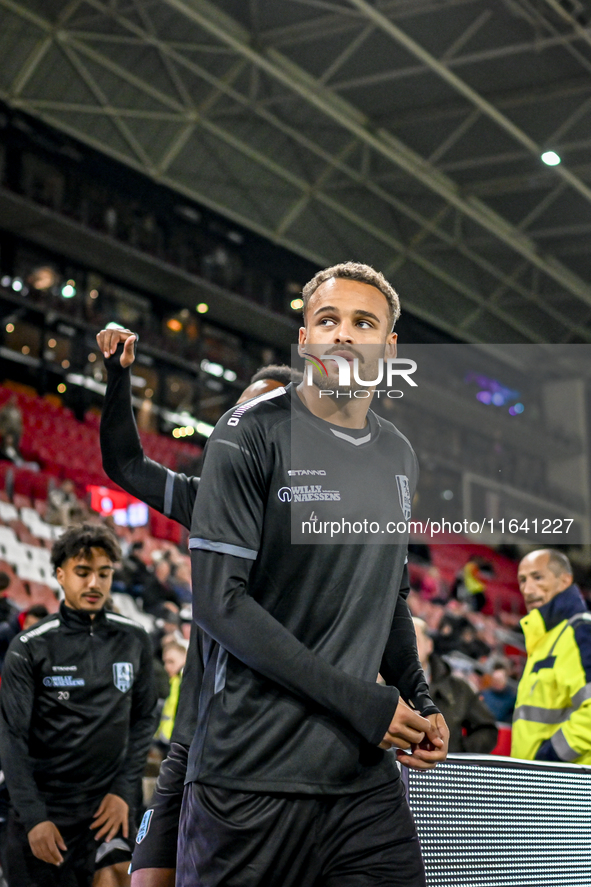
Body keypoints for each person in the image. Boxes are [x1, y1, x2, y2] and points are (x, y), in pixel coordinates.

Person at [179, 261, 448, 887]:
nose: (344, 335)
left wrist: (421, 698)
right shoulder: (248, 434)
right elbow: (221, 603)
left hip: (362, 783)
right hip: (252, 776)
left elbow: (390, 599)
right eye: (327, 320)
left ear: (389, 347)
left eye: (363, 323)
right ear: (304, 340)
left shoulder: (398, 455)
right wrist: (365, 702)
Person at [96, 331, 305, 887]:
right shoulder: (210, 503)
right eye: (240, 413)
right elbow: (124, 463)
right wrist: (119, 378)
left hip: (264, 745)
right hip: (194, 737)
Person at [0, 523, 157, 887]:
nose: (94, 584)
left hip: (107, 812)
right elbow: (11, 738)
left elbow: (145, 717)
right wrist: (35, 817)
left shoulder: (134, 638)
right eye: (82, 573)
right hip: (43, 816)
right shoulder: (29, 647)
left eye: (104, 574)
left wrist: (122, 790)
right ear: (60, 574)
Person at [511, 548, 591, 764]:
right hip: (542, 785)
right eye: (522, 580)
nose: (527, 589)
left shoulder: (581, 630)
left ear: (564, 580)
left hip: (571, 787)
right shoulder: (544, 639)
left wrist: (548, 759)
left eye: (538, 578)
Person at [412, 617, 497, 753]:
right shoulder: (382, 685)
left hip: (443, 770)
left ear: (429, 645)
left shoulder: (459, 688)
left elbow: (486, 729)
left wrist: (459, 755)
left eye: (414, 641)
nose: (407, 648)